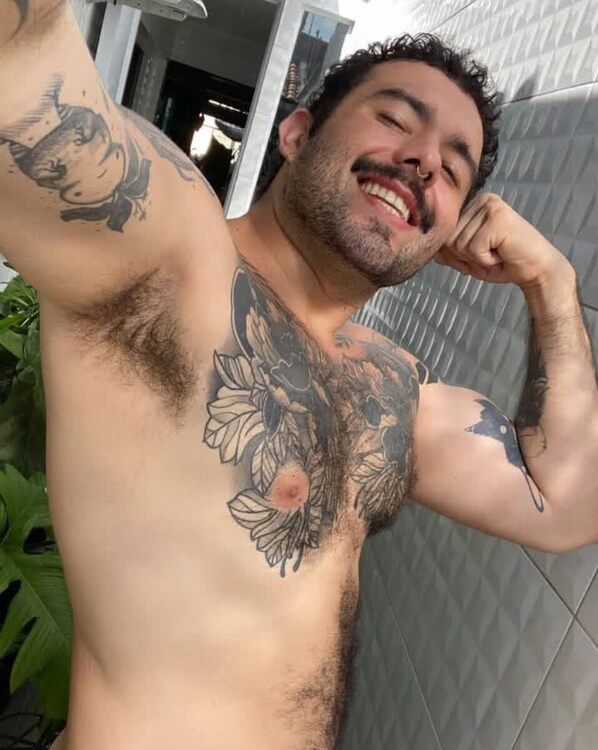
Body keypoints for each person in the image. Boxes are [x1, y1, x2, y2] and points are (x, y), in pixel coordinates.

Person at [1, 3, 597, 749]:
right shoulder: (170, 261)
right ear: (297, 133)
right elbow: (20, 64)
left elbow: (566, 505)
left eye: (453, 169)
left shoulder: (390, 389)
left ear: (447, 229)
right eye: (395, 118)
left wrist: (551, 281)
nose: (423, 161)